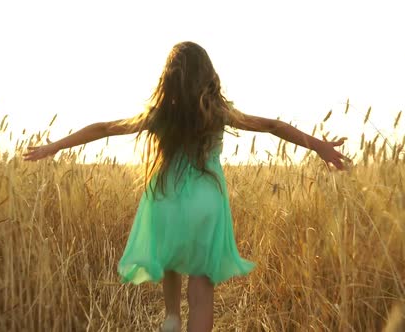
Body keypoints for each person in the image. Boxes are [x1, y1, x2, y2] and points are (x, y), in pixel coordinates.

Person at [24, 41, 348, 332]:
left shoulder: (160, 114)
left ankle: (171, 318)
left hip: (166, 196)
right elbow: (272, 126)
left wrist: (54, 147)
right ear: (208, 74)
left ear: (169, 79)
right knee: (202, 292)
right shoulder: (219, 112)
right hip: (206, 202)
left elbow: (104, 128)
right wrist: (318, 145)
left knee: (170, 258)